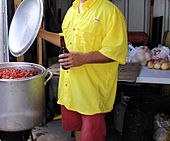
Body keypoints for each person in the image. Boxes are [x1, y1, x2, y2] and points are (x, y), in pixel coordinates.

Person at [38, 0, 128, 140]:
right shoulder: (71, 11)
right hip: (70, 89)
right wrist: (40, 33)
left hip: (91, 90)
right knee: (77, 129)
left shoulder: (109, 11)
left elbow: (116, 51)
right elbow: (66, 41)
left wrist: (83, 59)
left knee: (92, 135)